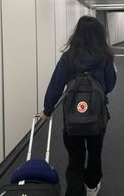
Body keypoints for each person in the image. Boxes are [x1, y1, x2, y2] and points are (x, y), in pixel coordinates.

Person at [41, 15, 117, 196]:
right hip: (97, 116)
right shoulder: (105, 57)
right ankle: (92, 185)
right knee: (95, 153)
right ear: (99, 34)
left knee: (75, 158)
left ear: (77, 34)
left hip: (72, 117)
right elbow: (111, 84)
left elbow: (56, 84)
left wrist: (47, 110)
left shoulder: (68, 57)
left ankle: (75, 191)